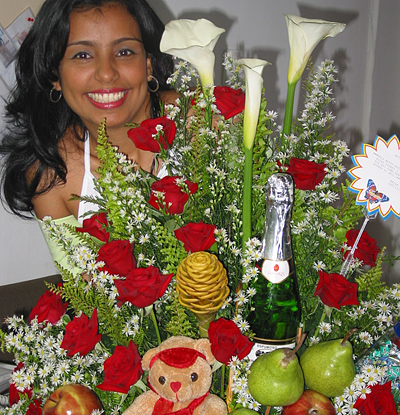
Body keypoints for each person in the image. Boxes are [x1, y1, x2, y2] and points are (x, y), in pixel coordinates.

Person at [0, 0, 174, 266]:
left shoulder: (205, 122)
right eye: (82, 55)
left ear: (148, 64)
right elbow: (89, 297)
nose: (106, 74)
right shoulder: (52, 178)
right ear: (54, 76)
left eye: (125, 51)